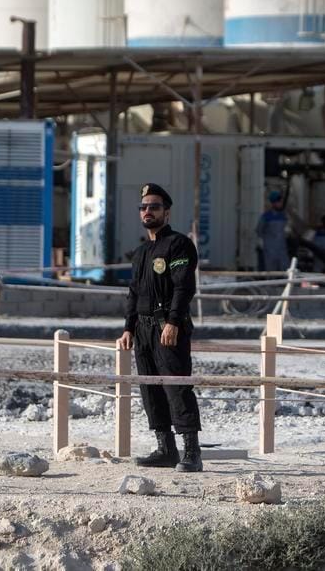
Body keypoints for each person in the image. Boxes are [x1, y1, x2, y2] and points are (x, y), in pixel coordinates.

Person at [117, 183, 203, 472]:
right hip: (143, 331)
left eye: (154, 207)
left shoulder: (178, 245)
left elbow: (183, 286)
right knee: (150, 389)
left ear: (166, 212)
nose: (147, 211)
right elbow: (134, 292)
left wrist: (174, 321)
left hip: (167, 327)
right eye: (143, 207)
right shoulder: (141, 252)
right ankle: (166, 449)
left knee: (176, 386)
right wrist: (128, 328)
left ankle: (192, 451)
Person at [255, 190, 290, 271]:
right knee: (271, 271)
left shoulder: (283, 216)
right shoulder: (266, 217)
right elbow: (259, 230)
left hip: (282, 249)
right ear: (273, 203)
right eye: (278, 202)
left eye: (280, 201)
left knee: (286, 270)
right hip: (270, 250)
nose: (280, 203)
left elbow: (286, 231)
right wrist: (264, 242)